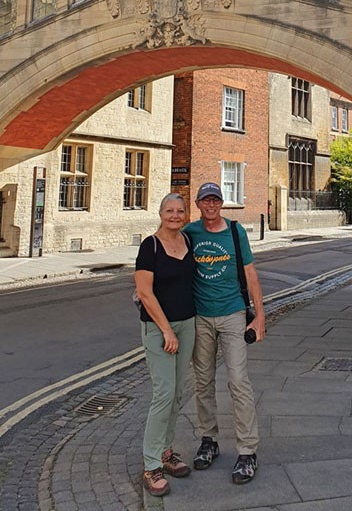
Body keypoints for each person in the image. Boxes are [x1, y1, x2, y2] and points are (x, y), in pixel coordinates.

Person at [184, 182, 266, 485]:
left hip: (232, 314)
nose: (211, 205)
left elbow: (250, 273)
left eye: (215, 200)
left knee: (238, 381)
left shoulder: (235, 231)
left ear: (221, 203)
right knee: (202, 381)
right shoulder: (190, 233)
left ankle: (247, 451)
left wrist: (260, 316)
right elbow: (167, 256)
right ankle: (209, 440)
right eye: (205, 200)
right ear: (198, 204)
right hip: (200, 317)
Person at [135, 193, 196, 497]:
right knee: (164, 392)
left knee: (178, 392)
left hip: (188, 325)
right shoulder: (151, 246)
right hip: (160, 329)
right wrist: (166, 330)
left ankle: (166, 451)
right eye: (169, 210)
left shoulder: (188, 242)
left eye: (180, 210)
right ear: (160, 213)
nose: (174, 214)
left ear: (186, 215)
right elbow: (144, 292)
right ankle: (150, 464)